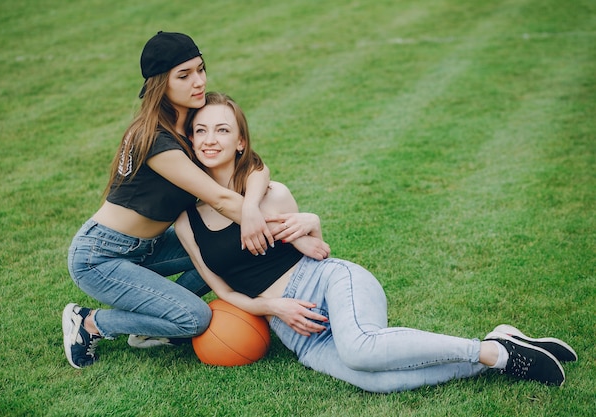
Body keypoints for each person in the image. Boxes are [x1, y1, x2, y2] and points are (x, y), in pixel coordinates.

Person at [174, 92, 578, 393]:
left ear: (240, 142)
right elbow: (223, 289)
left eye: (222, 129)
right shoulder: (186, 222)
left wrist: (313, 226)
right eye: (201, 130)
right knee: (376, 382)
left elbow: (319, 249)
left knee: (361, 349)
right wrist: (271, 307)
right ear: (190, 141)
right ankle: (501, 345)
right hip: (294, 330)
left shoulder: (270, 194)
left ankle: (492, 353)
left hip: (330, 285)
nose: (210, 139)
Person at [62, 32, 277, 369]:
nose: (199, 81)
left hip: (151, 246)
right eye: (184, 75)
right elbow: (219, 198)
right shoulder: (153, 138)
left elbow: (253, 164)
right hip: (101, 256)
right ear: (161, 83)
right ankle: (90, 322)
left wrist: (251, 209)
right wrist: (280, 230)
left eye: (200, 69)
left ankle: (147, 326)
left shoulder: (192, 121)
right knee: (194, 319)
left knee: (225, 250)